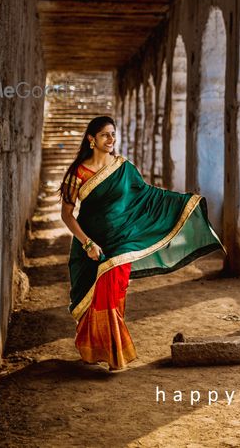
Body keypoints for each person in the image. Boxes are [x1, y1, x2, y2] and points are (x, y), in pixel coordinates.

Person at [59, 116, 224, 371]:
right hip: (91, 244)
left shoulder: (124, 168)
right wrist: (87, 243)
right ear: (91, 139)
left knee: (112, 294)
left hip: (123, 240)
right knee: (90, 298)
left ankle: (114, 354)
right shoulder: (77, 173)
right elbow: (67, 215)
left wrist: (182, 203)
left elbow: (146, 196)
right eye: (104, 135)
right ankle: (95, 347)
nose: (111, 139)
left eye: (113, 134)